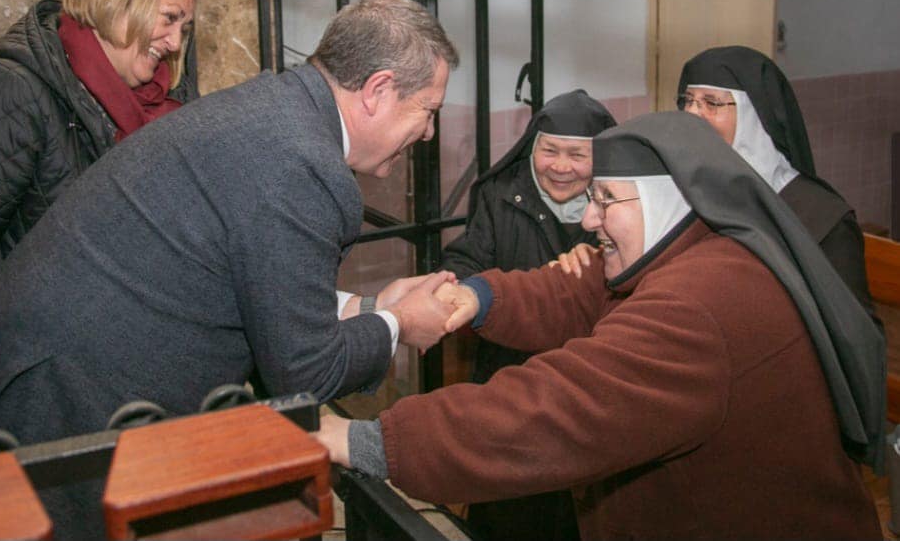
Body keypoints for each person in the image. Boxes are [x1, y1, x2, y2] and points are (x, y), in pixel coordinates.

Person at [0, 0, 460, 540]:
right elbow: (306, 371)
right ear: (379, 90)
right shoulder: (304, 165)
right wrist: (398, 325)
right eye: (429, 110)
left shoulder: (275, 112)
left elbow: (243, 276)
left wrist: (370, 307)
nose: (429, 132)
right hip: (53, 421)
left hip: (42, 389)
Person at [318, 111, 885, 541]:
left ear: (668, 205)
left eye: (606, 200)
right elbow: (572, 289)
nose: (590, 219)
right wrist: (475, 296)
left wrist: (371, 441)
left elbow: (553, 411)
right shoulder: (696, 248)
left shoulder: (697, 308)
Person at [0, 0, 209, 367]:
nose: (173, 42)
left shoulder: (159, 103)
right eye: (168, 19)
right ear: (115, 0)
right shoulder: (6, 94)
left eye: (183, 28)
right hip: (21, 370)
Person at [440, 88, 615, 541]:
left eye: (577, 155)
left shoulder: (620, 210)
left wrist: (598, 255)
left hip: (586, 389)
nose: (560, 166)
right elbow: (465, 262)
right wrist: (456, 288)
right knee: (507, 511)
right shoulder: (501, 194)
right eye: (549, 150)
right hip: (509, 378)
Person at [676, 45, 875, 322]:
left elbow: (854, 332)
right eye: (688, 100)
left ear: (754, 117)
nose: (692, 115)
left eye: (711, 103)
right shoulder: (685, 194)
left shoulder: (822, 218)